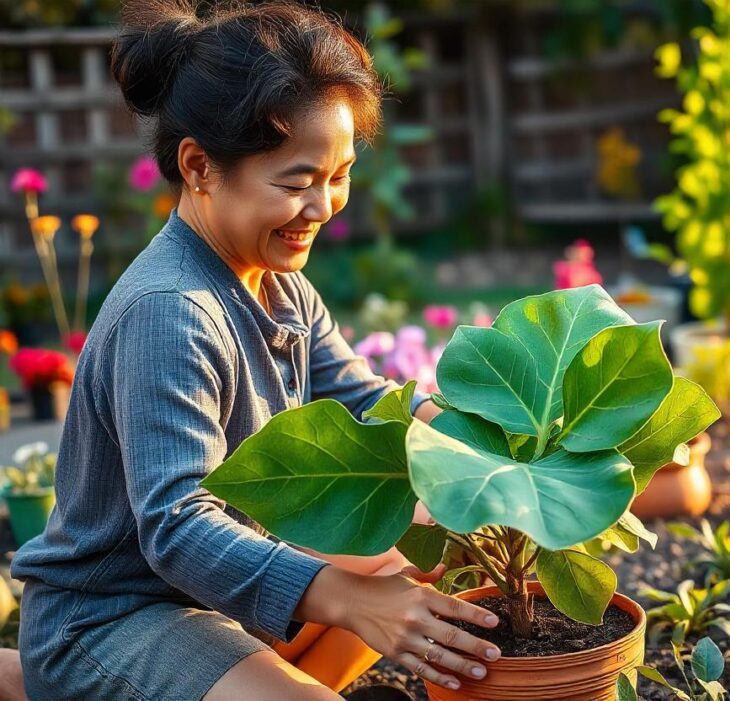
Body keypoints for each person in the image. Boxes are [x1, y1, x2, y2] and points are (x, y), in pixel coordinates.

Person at [10, 1, 502, 699]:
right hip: (115, 616)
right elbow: (178, 526)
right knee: (366, 592)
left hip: (214, 598)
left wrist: (497, 451)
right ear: (200, 166)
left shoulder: (278, 286)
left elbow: (373, 407)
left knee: (416, 558)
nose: (326, 206)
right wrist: (349, 598)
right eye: (298, 182)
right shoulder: (171, 312)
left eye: (340, 175)